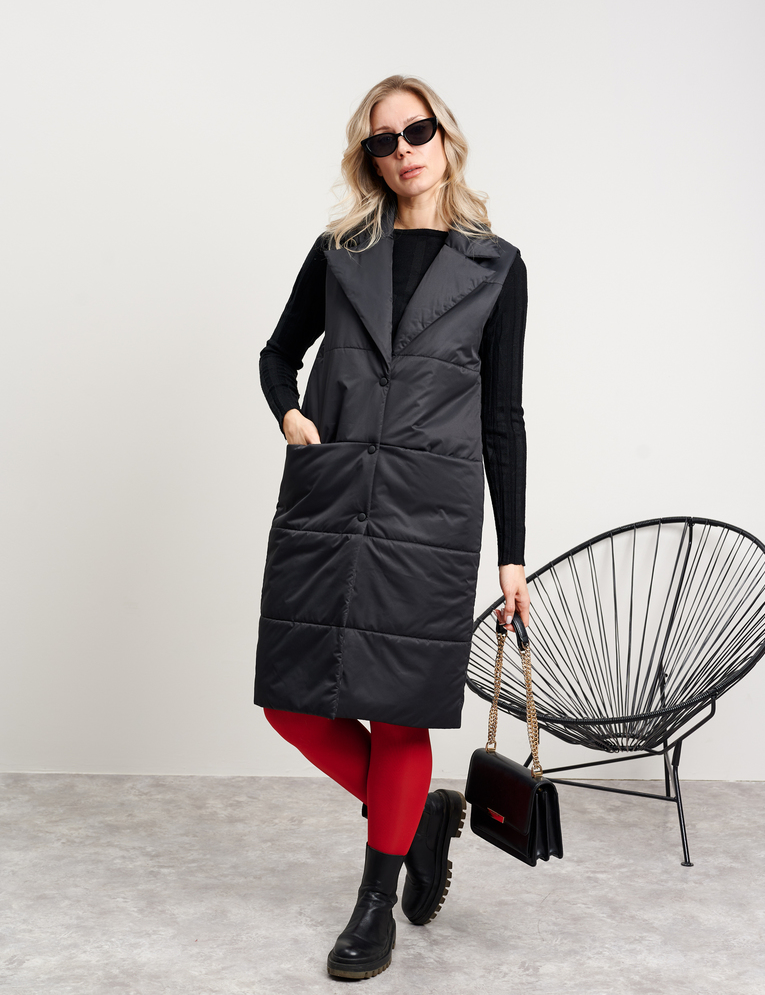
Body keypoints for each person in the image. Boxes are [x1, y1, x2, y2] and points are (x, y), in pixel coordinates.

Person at [254, 74, 530, 980]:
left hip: (428, 511)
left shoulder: (497, 267)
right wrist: (291, 416)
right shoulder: (340, 252)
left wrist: (514, 555)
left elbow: (503, 417)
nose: (403, 150)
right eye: (383, 140)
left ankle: (375, 906)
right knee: (293, 703)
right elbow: (278, 354)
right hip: (331, 498)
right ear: (368, 158)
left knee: (399, 711)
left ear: (444, 138)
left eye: (416, 132)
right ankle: (418, 824)